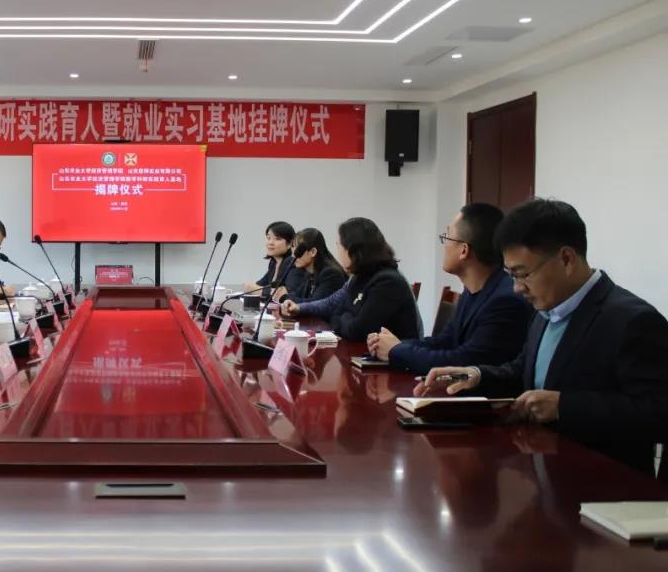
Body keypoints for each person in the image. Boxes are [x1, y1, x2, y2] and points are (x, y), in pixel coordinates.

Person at [415, 198, 668, 478]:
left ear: (566, 259)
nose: (516, 288)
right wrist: (476, 375)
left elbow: (658, 413)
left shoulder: (631, 321)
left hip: (604, 485)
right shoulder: (546, 309)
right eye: (511, 275)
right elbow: (523, 372)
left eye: (523, 274)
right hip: (545, 471)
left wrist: (564, 406)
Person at [367, 203, 532, 373]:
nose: (444, 244)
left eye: (447, 237)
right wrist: (392, 344)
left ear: (464, 250)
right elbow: (444, 341)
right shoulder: (473, 290)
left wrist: (397, 351)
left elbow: (462, 361)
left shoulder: (505, 300)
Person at [280, 217, 421, 341]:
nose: (338, 252)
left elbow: (357, 331)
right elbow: (332, 303)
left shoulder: (387, 282)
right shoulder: (360, 275)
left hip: (392, 360)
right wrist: (299, 308)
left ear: (354, 250)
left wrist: (336, 317)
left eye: (339, 246)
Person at [274, 227, 347, 304]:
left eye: (298, 249)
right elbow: (298, 295)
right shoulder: (310, 272)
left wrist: (284, 298)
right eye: (293, 247)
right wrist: (284, 296)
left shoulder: (330, 274)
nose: (293, 255)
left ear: (313, 252)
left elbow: (315, 304)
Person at [244, 221, 295, 294]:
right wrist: (250, 287)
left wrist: (257, 290)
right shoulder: (273, 263)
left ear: (289, 244)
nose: (270, 242)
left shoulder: (292, 263)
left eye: (277, 238)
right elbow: (260, 284)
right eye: (268, 238)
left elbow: (288, 293)